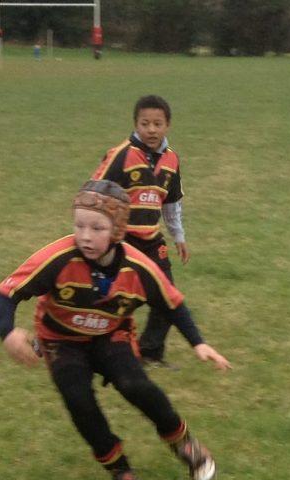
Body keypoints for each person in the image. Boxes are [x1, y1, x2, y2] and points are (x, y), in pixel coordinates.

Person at [0, 180, 231, 480]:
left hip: (111, 335)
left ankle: (183, 443)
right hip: (60, 339)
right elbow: (8, 292)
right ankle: (120, 470)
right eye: (79, 225)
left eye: (97, 227)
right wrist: (8, 332)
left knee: (136, 385)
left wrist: (198, 343)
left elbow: (171, 303)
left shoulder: (139, 266)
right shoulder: (59, 257)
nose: (85, 236)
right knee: (78, 399)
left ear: (118, 230)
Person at [91, 95, 186, 367]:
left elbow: (171, 202)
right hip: (122, 240)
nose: (151, 129)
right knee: (114, 298)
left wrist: (178, 236)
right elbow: (94, 190)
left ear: (168, 125)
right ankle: (88, 340)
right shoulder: (121, 154)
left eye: (158, 123)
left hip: (152, 240)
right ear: (136, 124)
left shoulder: (171, 160)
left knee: (167, 295)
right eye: (145, 123)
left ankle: (150, 352)